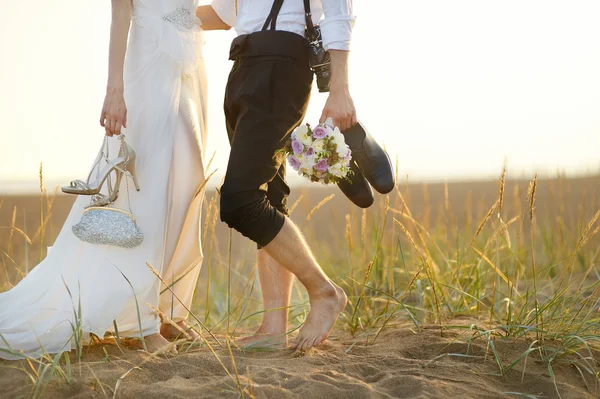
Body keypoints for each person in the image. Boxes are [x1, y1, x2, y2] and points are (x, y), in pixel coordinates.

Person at [0, 0, 208, 359]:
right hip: (149, 66)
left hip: (187, 66)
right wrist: (115, 89)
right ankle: (140, 323)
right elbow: (121, 13)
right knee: (146, 187)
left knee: (189, 183)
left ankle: (167, 307)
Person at [196, 0, 355, 351]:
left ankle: (323, 291)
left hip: (281, 68)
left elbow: (339, 13)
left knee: (240, 200)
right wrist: (153, 10)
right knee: (268, 200)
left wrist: (341, 88)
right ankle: (274, 326)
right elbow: (225, 15)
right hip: (243, 66)